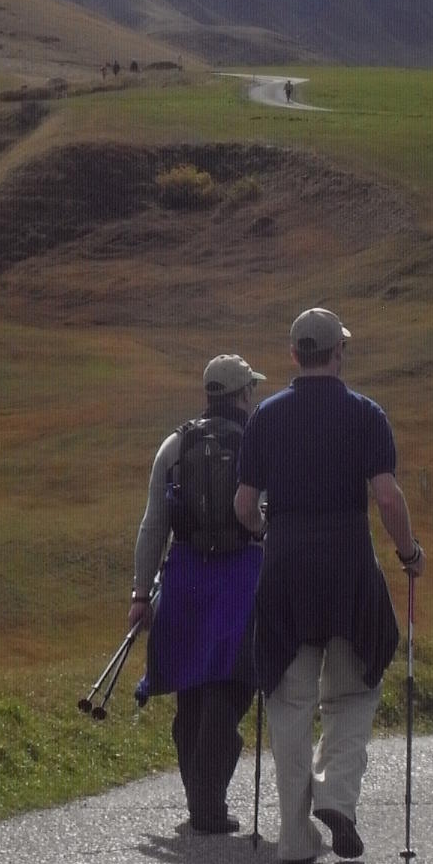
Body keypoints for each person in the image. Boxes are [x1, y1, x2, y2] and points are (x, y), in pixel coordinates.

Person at [233, 307, 425, 864]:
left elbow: (244, 504)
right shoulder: (365, 414)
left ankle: (295, 839)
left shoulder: (266, 417)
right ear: (338, 353)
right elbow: (386, 496)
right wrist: (409, 553)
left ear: (295, 354)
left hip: (286, 570)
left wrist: (266, 531)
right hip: (349, 569)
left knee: (290, 703)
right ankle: (337, 796)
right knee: (352, 691)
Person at [130, 352, 267, 833]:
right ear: (243, 394)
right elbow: (266, 515)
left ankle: (199, 798)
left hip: (185, 576)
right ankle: (208, 802)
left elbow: (154, 524)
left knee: (191, 687)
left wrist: (140, 593)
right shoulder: (256, 444)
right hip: (241, 578)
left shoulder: (175, 444)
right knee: (232, 684)